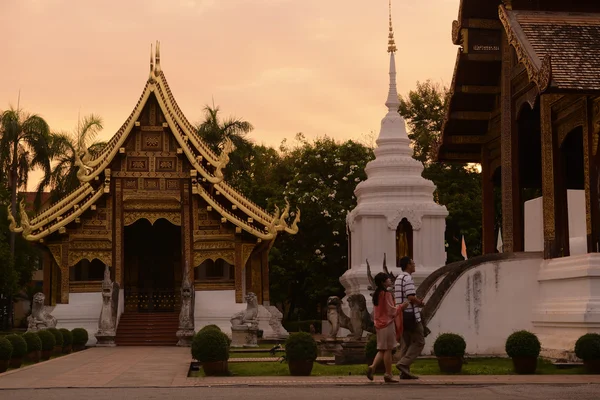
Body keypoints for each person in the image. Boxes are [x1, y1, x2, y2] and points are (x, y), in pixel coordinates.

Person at [367, 272, 409, 383]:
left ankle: (373, 367)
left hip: (379, 325)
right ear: (383, 282)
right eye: (388, 279)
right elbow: (391, 311)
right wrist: (401, 307)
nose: (390, 280)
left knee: (382, 349)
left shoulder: (377, 294)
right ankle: (388, 374)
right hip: (387, 324)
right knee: (388, 350)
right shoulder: (386, 294)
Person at [394, 256, 425, 380]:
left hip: (401, 315)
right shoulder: (408, 278)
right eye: (413, 263)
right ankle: (403, 364)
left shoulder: (398, 278)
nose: (414, 265)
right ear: (408, 265)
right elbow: (411, 297)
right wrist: (420, 303)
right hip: (410, 314)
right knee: (419, 341)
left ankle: (404, 372)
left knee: (405, 344)